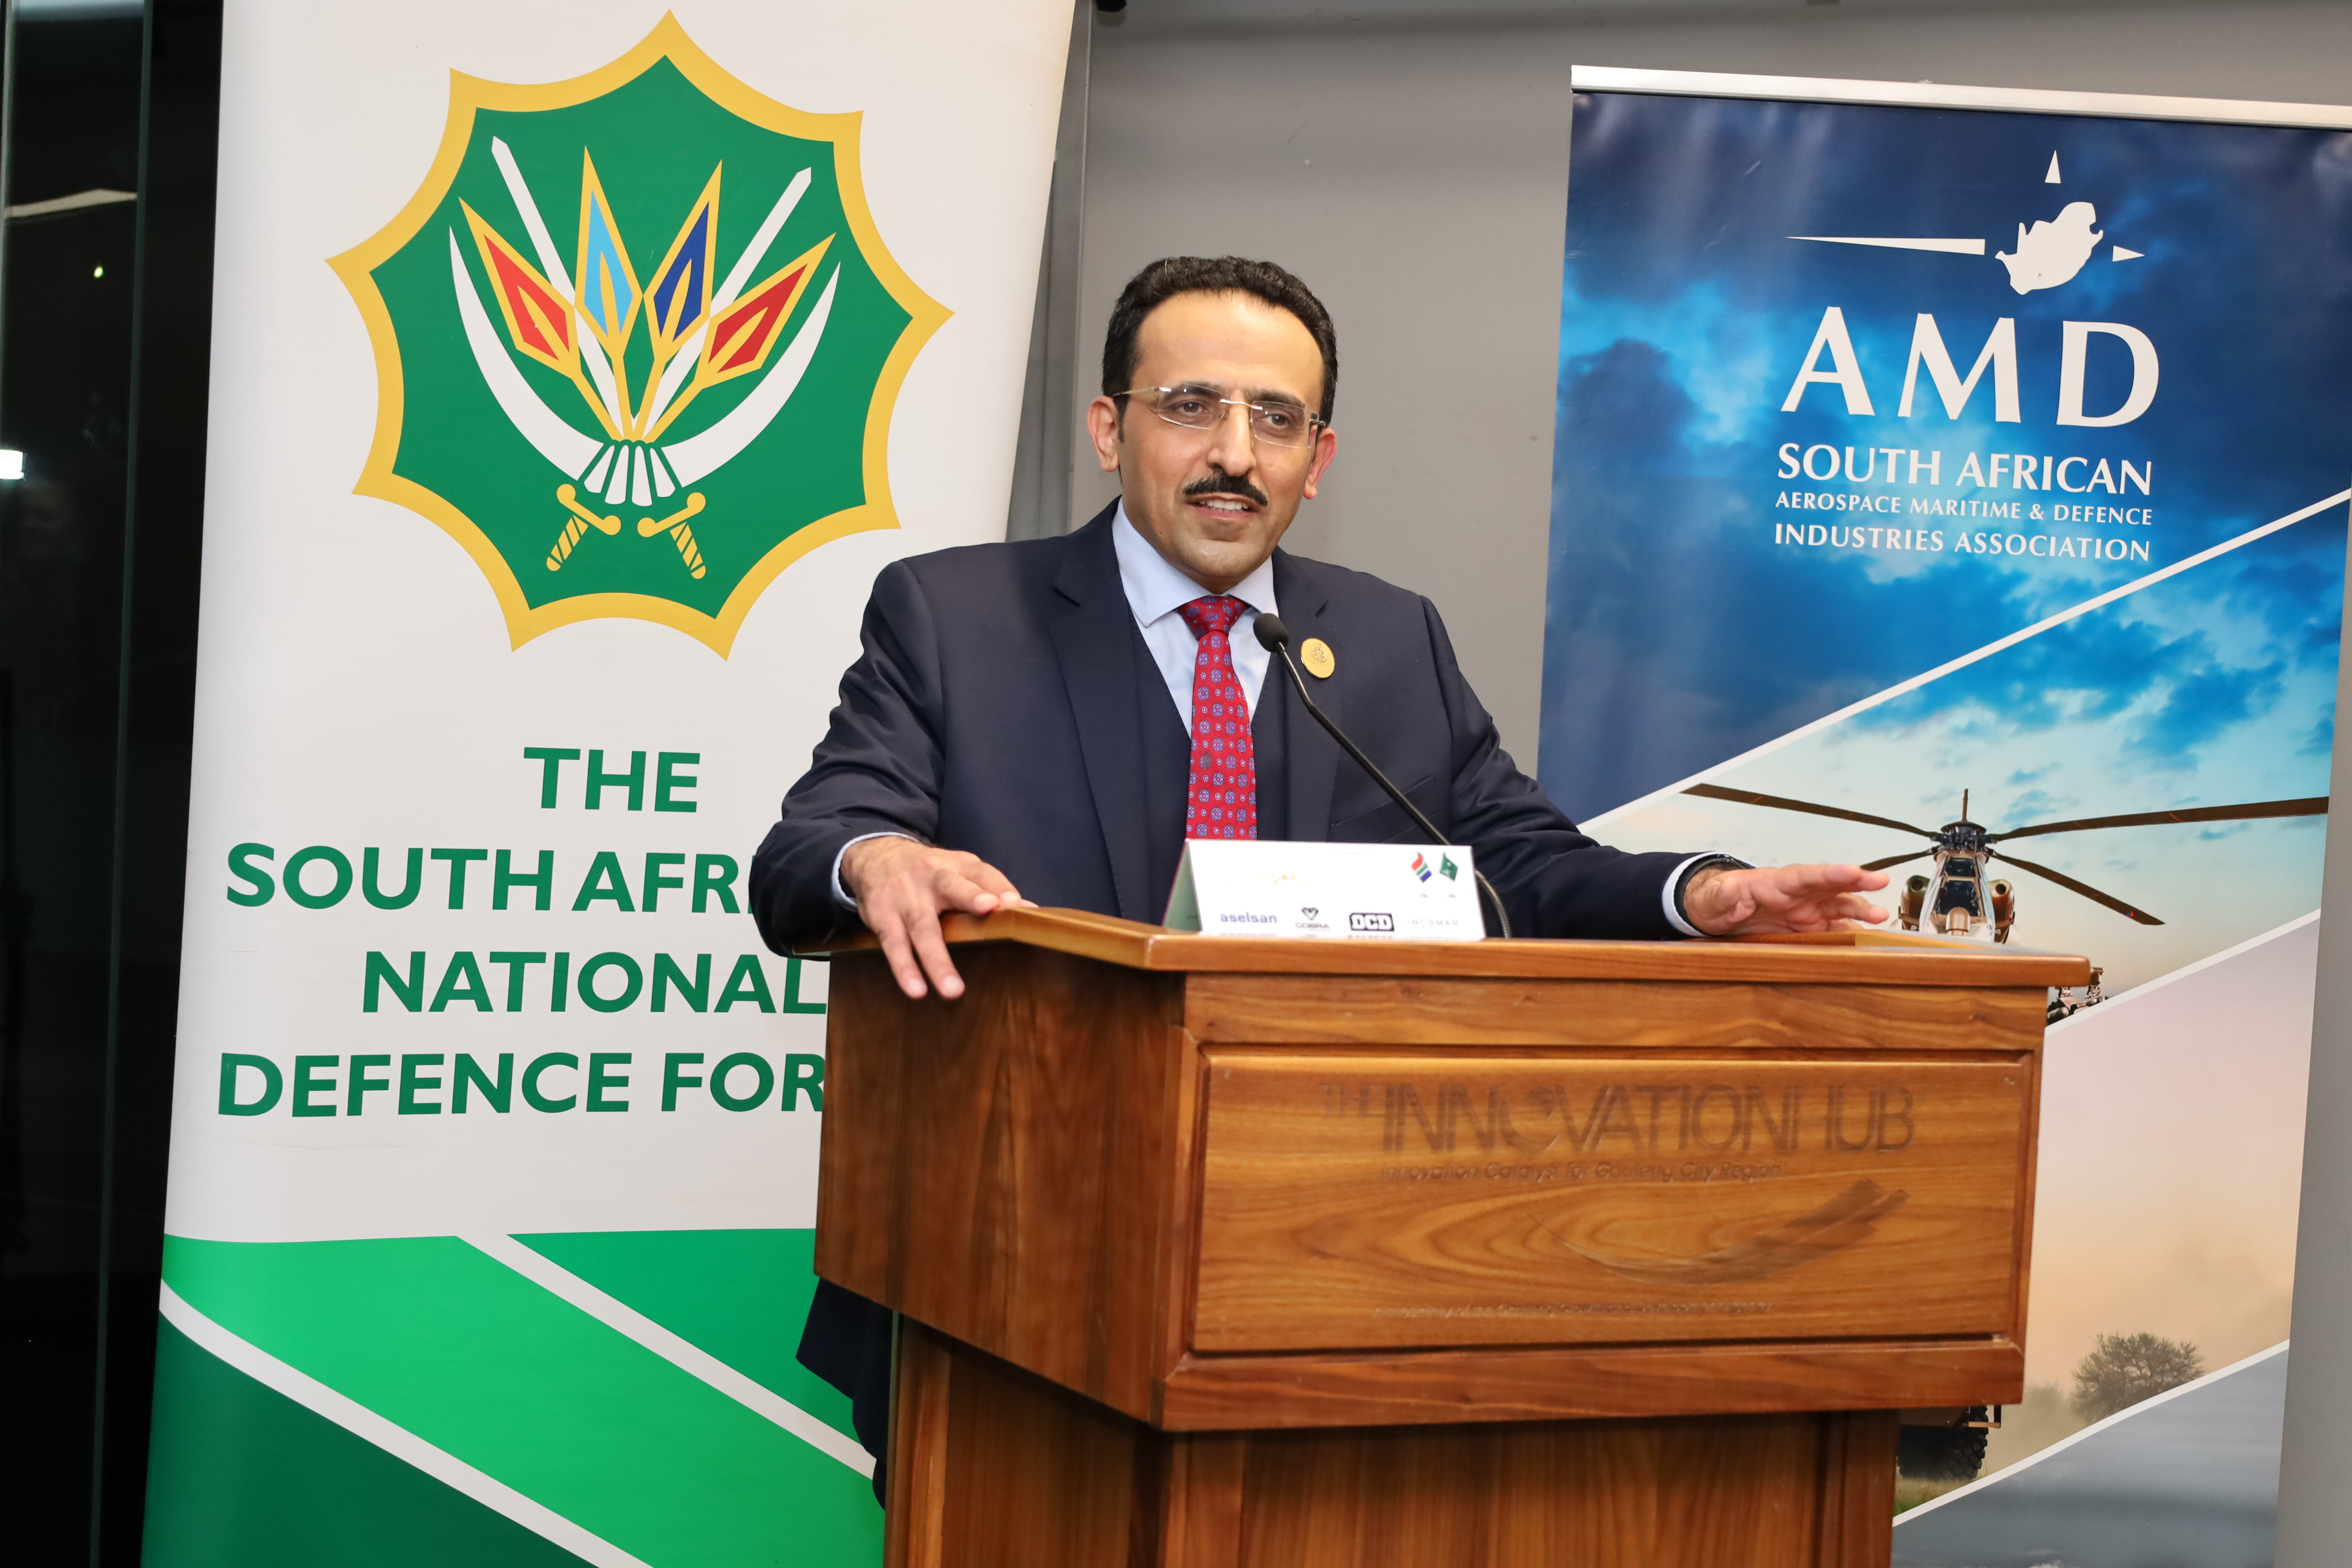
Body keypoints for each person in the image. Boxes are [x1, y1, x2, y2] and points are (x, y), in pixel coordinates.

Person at [749, 255, 1889, 1490]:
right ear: (1109, 430)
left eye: (1277, 419)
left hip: (1333, 1270)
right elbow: (812, 843)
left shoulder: (1390, 638)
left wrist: (1697, 895)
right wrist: (880, 857)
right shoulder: (957, 616)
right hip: (1010, 1270)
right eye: (1192, 406)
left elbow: (1518, 861)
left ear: (1319, 458)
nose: (1235, 454)